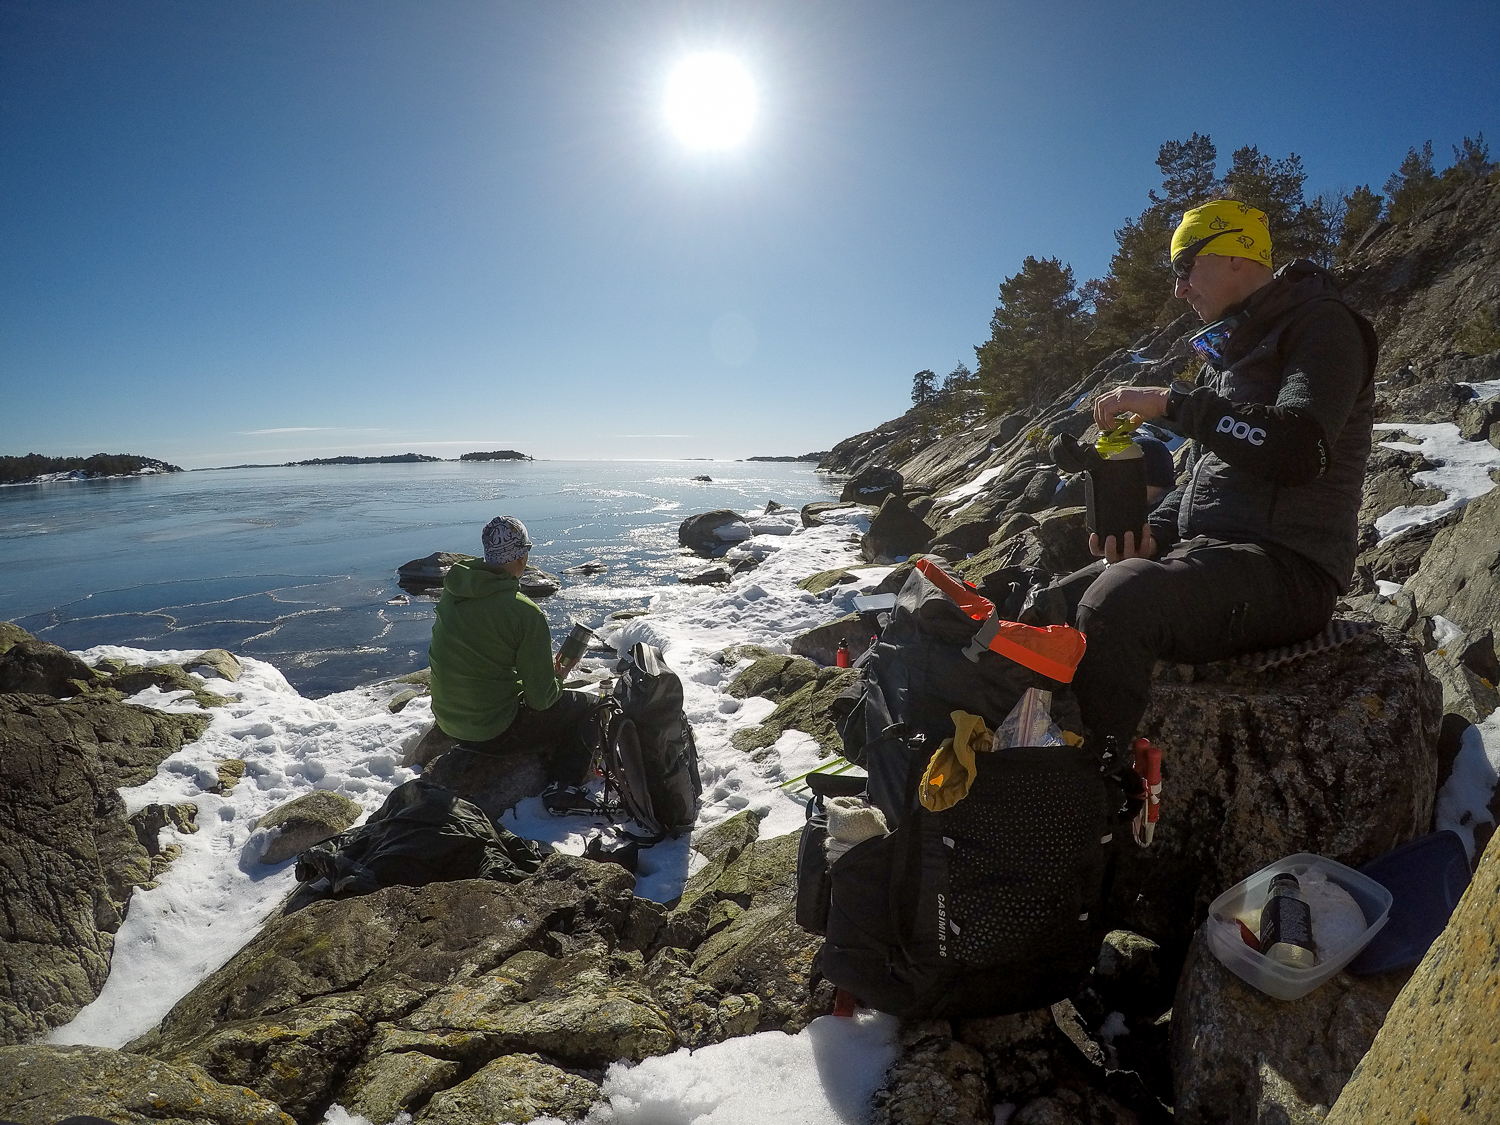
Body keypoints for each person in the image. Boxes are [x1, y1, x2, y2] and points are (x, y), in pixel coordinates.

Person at [1051, 199, 1378, 754]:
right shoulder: (1231, 355)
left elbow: (1299, 447)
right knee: (1052, 605)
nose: (1179, 288)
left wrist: (1174, 403)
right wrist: (1153, 531)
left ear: (1236, 254)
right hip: (1217, 552)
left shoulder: (1324, 325)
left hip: (1289, 566)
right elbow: (1202, 478)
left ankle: (1097, 787)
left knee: (1114, 607)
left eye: (1184, 267)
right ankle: (1021, 759)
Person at [428, 515, 597, 812]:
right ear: (522, 556)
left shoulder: (453, 594)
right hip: (491, 732)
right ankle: (564, 788)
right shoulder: (524, 612)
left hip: (448, 722)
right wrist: (558, 675)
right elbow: (542, 700)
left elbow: (484, 657)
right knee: (590, 706)